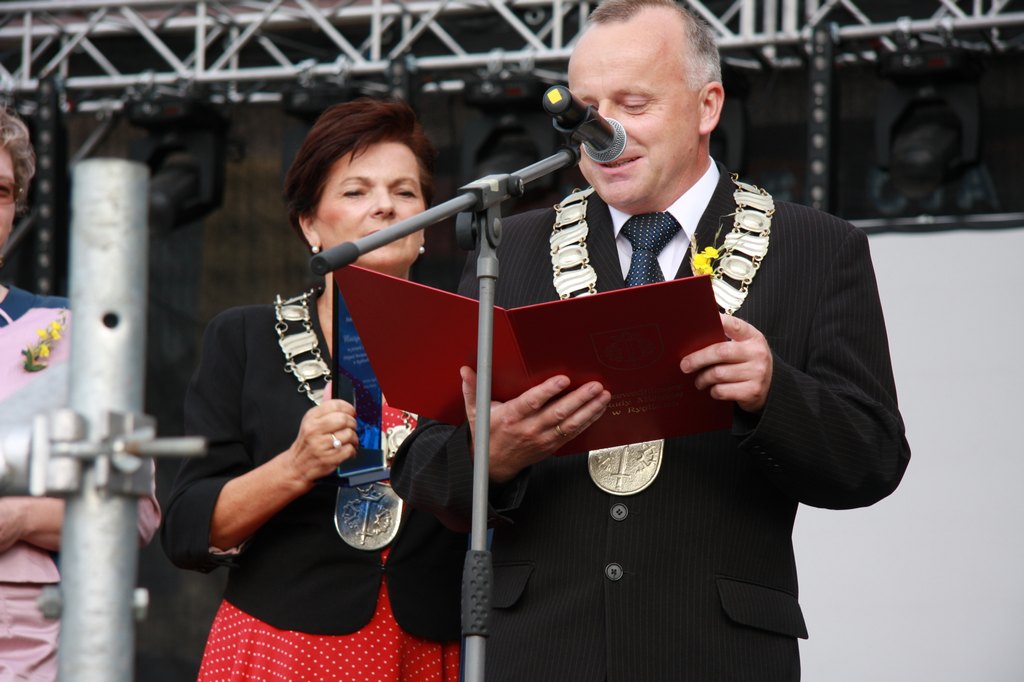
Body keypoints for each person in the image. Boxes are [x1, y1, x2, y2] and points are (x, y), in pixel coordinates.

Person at [390, 1, 912, 680]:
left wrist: (773, 391)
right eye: (585, 108)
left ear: (707, 106)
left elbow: (872, 458)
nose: (603, 130)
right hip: (543, 651)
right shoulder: (509, 249)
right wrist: (490, 456)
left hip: (714, 652)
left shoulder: (815, 247)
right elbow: (422, 468)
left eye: (633, 103)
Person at [160, 98, 465, 682]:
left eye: (405, 192)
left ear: (427, 220)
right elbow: (187, 530)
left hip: (427, 649)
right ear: (309, 225)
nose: (385, 206)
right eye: (356, 191)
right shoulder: (244, 338)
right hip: (283, 650)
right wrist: (295, 467)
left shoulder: (470, 344)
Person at [0, 106, 161, 680]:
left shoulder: (69, 331)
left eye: (0, 191)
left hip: (30, 654)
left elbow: (134, 512)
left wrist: (18, 517)